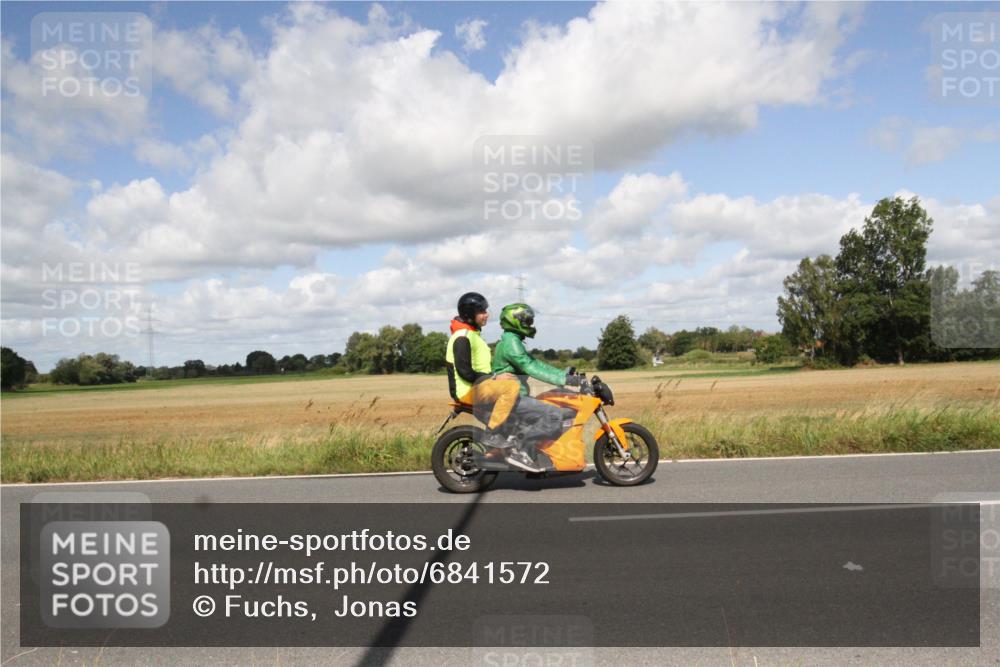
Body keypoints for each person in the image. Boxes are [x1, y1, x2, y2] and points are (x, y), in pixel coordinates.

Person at [444, 292, 533, 469]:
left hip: (478, 387)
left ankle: (512, 451)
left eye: (485, 310)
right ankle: (493, 436)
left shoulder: (471, 334)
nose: (486, 314)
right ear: (470, 314)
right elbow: (465, 372)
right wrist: (494, 377)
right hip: (469, 390)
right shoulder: (462, 337)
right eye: (482, 311)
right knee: (510, 387)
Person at [491, 303, 583, 463]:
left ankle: (540, 451)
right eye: (527, 320)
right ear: (515, 321)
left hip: (515, 396)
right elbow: (530, 367)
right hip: (512, 398)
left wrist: (563, 374)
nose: (530, 324)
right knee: (553, 415)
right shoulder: (511, 342)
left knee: (553, 405)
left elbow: (535, 363)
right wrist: (564, 380)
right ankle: (520, 448)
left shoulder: (512, 340)